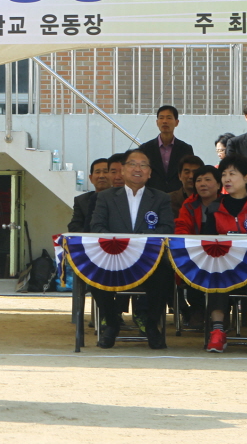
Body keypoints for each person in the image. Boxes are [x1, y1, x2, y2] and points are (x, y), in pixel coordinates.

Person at [89, 148, 175, 349]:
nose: (138, 169)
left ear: (150, 172)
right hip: (115, 259)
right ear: (123, 170)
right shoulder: (106, 197)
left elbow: (166, 229)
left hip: (148, 261)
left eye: (143, 165)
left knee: (165, 273)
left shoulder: (161, 198)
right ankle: (111, 323)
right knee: (93, 274)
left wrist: (138, 243)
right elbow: (97, 227)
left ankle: (152, 325)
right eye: (132, 164)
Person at [191, 156, 247, 354]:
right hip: (223, 264)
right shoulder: (215, 207)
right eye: (224, 174)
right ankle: (217, 331)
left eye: (232, 174)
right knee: (216, 272)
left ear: (246, 178)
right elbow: (206, 243)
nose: (227, 178)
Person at [173, 164, 223, 328]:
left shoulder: (226, 204)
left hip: (222, 254)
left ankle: (220, 312)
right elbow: (181, 229)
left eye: (208, 180)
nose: (202, 184)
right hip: (195, 253)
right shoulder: (189, 204)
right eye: (199, 181)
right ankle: (197, 310)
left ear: (218, 184)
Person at [137, 105, 195, 193]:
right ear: (157, 122)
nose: (164, 121)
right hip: (152, 196)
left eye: (169, 118)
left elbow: (189, 172)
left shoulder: (185, 149)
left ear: (176, 122)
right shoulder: (145, 149)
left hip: (178, 197)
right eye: (161, 118)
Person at [68, 157, 110, 232]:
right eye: (97, 172)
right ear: (91, 178)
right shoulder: (81, 200)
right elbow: (74, 226)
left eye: (105, 171)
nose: (101, 176)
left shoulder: (121, 198)